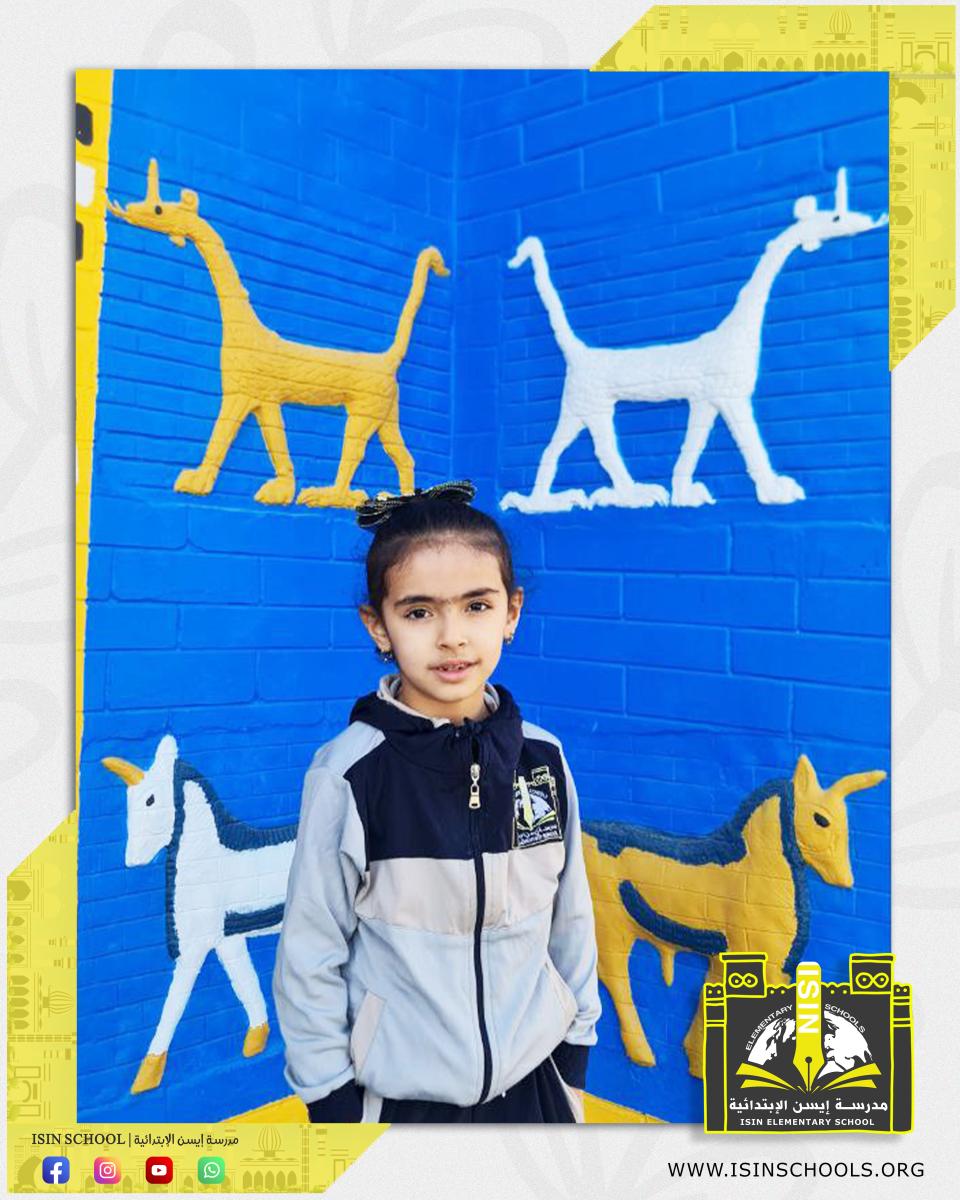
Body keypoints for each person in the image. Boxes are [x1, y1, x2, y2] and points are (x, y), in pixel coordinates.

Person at [272, 480, 601, 1123]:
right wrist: (331, 1101)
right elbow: (310, 953)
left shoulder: (543, 759)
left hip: (536, 1087)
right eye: (419, 612)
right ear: (379, 626)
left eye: (477, 606)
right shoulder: (350, 774)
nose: (452, 637)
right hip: (403, 1106)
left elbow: (571, 918)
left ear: (511, 612)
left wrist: (573, 1058)